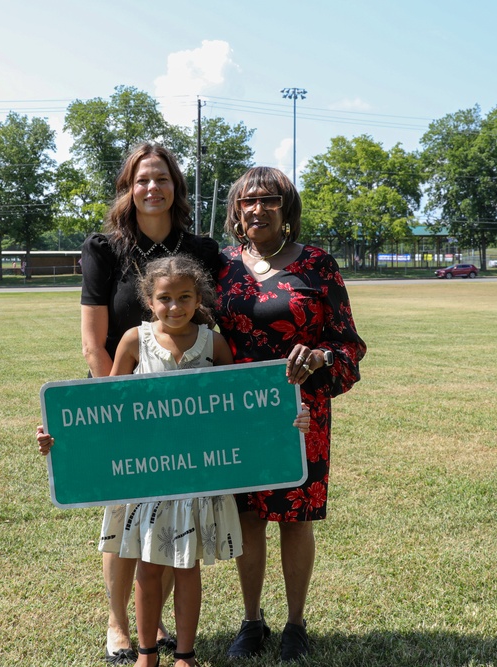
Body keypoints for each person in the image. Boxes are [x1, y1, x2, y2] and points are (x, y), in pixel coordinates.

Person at [40, 256, 311, 667]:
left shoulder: (213, 343)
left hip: (196, 483)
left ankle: (185, 654)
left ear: (198, 298)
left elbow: (240, 406)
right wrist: (62, 440)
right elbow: (107, 408)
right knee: (147, 570)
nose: (175, 306)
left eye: (185, 297)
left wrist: (288, 420)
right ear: (149, 301)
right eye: (164, 298)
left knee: (187, 569)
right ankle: (146, 653)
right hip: (148, 483)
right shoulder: (134, 340)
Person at [215, 166, 366, 662]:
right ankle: (251, 621)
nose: (257, 209)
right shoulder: (222, 266)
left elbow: (349, 343)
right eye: (247, 201)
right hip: (238, 411)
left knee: (296, 519)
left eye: (270, 200)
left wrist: (322, 357)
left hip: (301, 412)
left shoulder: (318, 265)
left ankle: (296, 625)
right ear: (236, 211)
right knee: (249, 517)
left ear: (287, 210)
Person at [78, 143, 221, 664]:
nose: (151, 188)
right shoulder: (103, 249)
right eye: (141, 180)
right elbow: (94, 340)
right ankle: (119, 624)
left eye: (161, 178)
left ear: (175, 188)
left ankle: (156, 625)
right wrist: (118, 410)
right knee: (127, 518)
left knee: (169, 521)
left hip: (185, 416)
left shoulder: (202, 251)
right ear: (128, 188)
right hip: (122, 395)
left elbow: (215, 334)